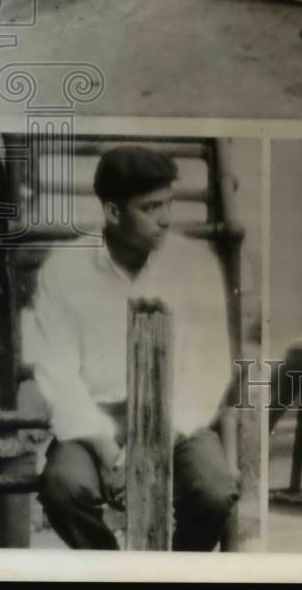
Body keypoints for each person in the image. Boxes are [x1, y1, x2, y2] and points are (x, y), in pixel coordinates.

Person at [32, 146, 239, 551]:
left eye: (169, 204)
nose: (165, 219)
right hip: (95, 421)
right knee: (63, 489)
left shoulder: (195, 265)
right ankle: (112, 572)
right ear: (112, 212)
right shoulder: (64, 270)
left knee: (214, 492)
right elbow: (58, 376)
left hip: (174, 418)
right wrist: (111, 454)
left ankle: (173, 574)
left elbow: (209, 371)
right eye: (150, 207)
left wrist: (156, 445)